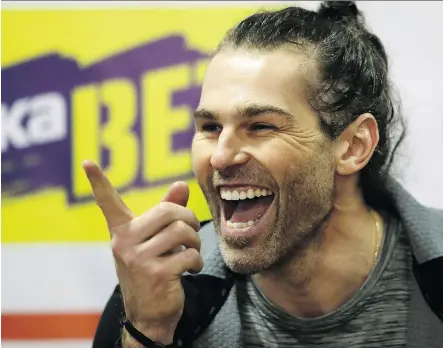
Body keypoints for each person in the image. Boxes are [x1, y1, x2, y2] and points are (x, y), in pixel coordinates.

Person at [88, 2, 443, 347]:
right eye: (210, 126)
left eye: (259, 126)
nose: (221, 156)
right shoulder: (160, 288)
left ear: (353, 146)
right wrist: (148, 330)